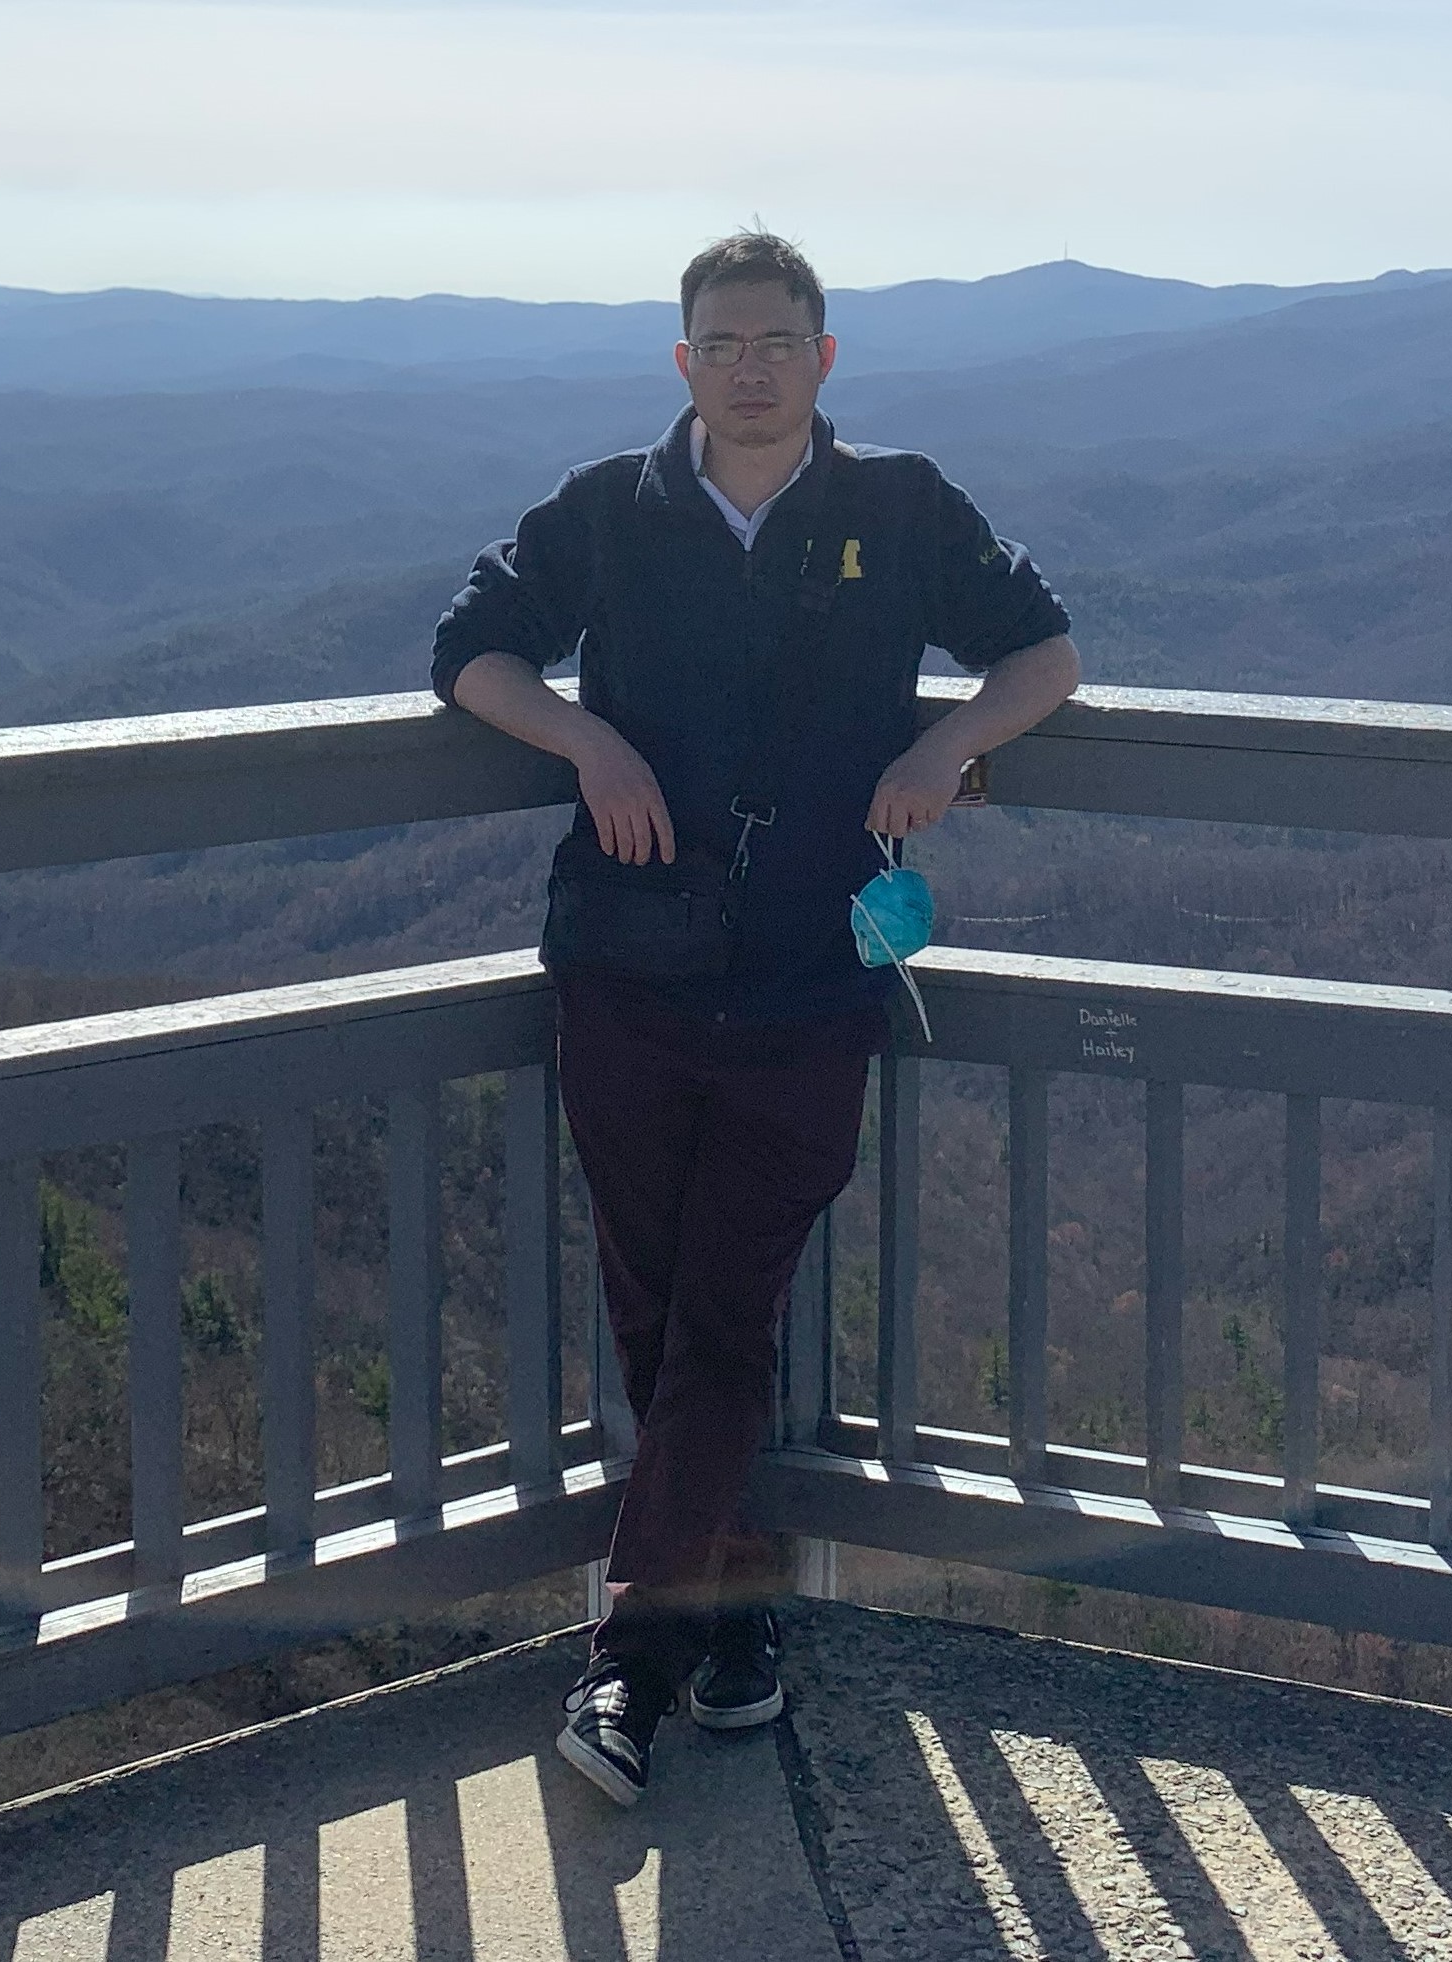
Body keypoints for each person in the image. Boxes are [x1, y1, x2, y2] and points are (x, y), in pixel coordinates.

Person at [430, 232, 1081, 1806]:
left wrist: (947, 747)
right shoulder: (609, 509)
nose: (750, 368)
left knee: (721, 1312)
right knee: (661, 1313)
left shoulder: (899, 509)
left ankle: (627, 1669)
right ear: (682, 363)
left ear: (825, 355)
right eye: (721, 343)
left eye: (777, 340)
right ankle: (734, 1626)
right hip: (626, 973)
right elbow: (470, 654)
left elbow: (1045, 653)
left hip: (807, 982)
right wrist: (586, 741)